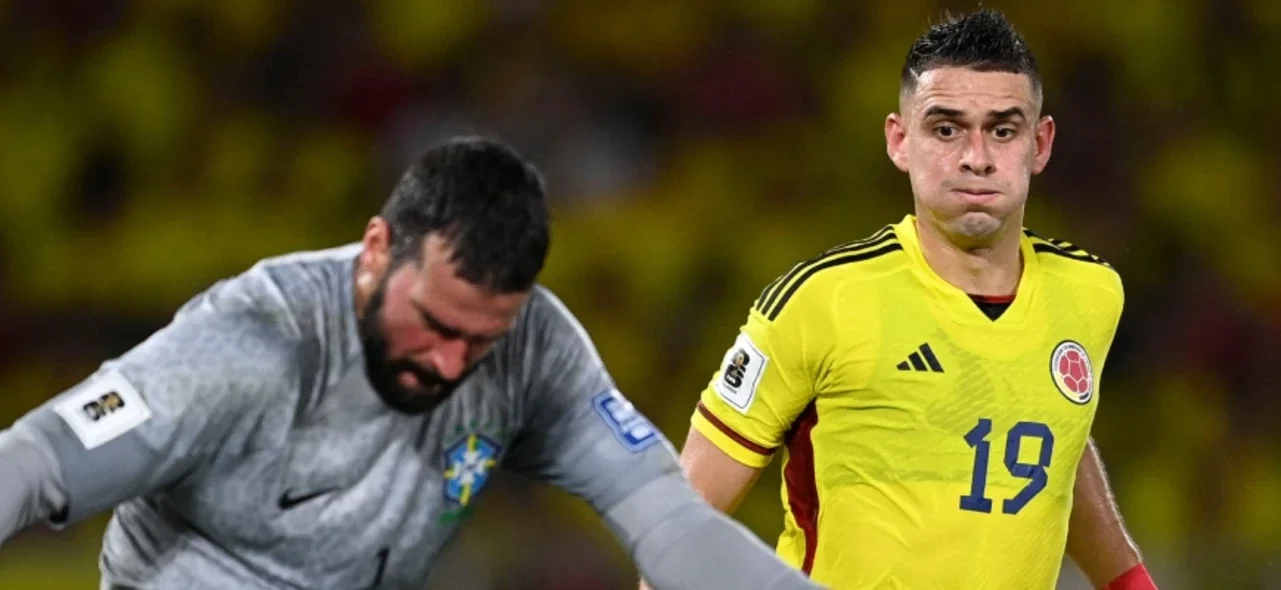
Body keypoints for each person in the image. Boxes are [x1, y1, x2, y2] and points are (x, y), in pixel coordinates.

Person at [0, 137, 824, 590]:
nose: (449, 362)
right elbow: (38, 460)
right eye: (433, 324)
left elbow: (672, 526)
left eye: (481, 339)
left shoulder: (538, 349)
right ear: (374, 251)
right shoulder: (250, 343)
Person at [651, 9, 1157, 590]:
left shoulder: (1090, 293)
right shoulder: (823, 301)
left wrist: (1129, 582)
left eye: (1002, 129)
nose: (976, 157)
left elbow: (1056, 440)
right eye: (946, 129)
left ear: (1039, 144)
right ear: (899, 140)